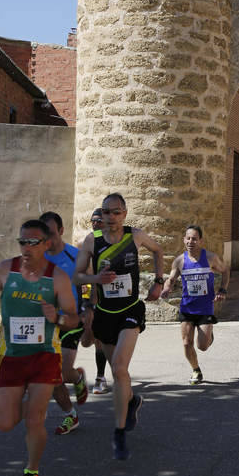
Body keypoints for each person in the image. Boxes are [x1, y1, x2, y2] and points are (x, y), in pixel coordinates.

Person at [0, 219, 78, 476]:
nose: (26, 247)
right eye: (22, 241)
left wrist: (56, 317)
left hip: (44, 355)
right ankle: (26, 405)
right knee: (5, 423)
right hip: (11, 355)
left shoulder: (57, 276)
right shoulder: (4, 270)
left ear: (46, 244)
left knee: (35, 419)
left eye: (33, 242)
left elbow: (72, 318)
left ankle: (31, 473)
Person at [73, 192, 164, 461]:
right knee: (117, 374)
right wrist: (96, 278)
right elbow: (77, 276)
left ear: (124, 214)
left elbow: (158, 250)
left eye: (115, 212)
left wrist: (159, 281)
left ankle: (120, 432)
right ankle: (132, 400)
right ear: (100, 215)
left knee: (120, 368)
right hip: (104, 314)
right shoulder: (91, 241)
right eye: (105, 212)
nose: (110, 217)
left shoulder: (135, 236)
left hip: (130, 310)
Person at [40, 211, 89, 436]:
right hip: (46, 324)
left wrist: (89, 308)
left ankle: (76, 377)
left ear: (61, 230)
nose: (47, 238)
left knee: (59, 372)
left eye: (51, 232)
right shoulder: (38, 257)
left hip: (71, 321)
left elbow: (90, 283)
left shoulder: (75, 256)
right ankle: (72, 414)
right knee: (52, 374)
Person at [161, 225, 229, 384]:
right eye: (188, 238)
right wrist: (166, 288)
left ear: (201, 241)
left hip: (205, 307)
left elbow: (225, 270)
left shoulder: (210, 258)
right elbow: (171, 279)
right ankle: (196, 370)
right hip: (187, 307)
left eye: (194, 239)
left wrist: (223, 290)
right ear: (184, 240)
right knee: (186, 343)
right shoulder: (179, 261)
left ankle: (208, 336)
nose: (191, 241)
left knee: (202, 346)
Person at [88, 208, 110, 395]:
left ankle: (118, 372)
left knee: (114, 342)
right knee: (98, 340)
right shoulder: (90, 242)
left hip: (117, 299)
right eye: (93, 221)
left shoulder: (117, 241)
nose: (95, 224)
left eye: (99, 221)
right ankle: (100, 376)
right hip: (96, 297)